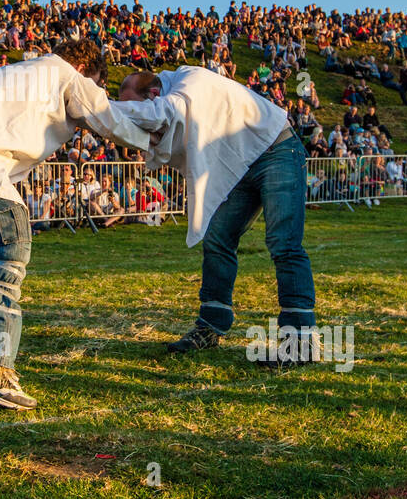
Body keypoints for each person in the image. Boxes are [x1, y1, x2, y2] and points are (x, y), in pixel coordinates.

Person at [0, 39, 149, 410]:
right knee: (11, 244)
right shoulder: (67, 74)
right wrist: (161, 140)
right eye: (98, 81)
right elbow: (110, 120)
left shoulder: (17, 71)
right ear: (88, 70)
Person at [116, 65, 316, 368]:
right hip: (242, 163)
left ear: (154, 94)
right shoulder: (174, 89)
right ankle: (211, 326)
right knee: (217, 237)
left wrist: (98, 110)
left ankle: (300, 341)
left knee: (284, 242)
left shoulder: (188, 83)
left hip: (277, 151)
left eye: (137, 105)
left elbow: (162, 116)